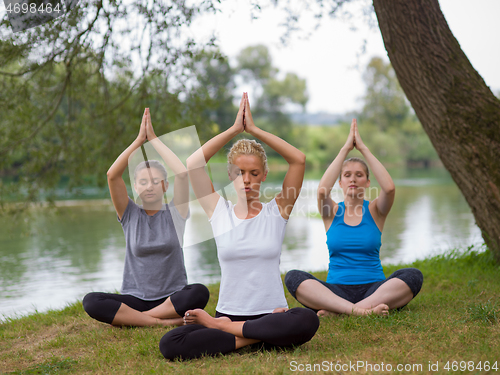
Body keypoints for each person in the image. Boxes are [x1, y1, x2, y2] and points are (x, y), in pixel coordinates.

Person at [158, 93, 319, 360]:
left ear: (264, 175)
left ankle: (235, 332)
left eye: (254, 173)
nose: (246, 180)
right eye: (239, 173)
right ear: (230, 175)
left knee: (306, 320)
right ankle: (259, 337)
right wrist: (234, 130)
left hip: (271, 314)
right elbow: (193, 164)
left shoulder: (277, 211)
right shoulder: (218, 211)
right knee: (172, 342)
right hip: (231, 314)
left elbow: (298, 160)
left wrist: (255, 130)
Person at [82, 108, 209, 327]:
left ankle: (140, 320)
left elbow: (181, 173)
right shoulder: (129, 213)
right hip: (135, 299)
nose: (149, 187)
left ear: (165, 185)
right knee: (91, 301)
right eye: (142, 182)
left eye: (155, 181)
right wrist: (139, 141)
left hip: (172, 298)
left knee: (199, 292)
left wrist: (154, 140)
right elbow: (112, 175)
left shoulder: (176, 212)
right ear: (135, 186)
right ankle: (161, 322)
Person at [285, 119, 423, 317]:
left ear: (367, 182)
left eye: (359, 175)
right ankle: (362, 311)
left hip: (374, 289)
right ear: (340, 182)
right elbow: (322, 191)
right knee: (293, 277)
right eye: (347, 175)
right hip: (337, 291)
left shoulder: (376, 211)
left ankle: (341, 312)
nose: (353, 179)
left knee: (412, 275)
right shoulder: (331, 213)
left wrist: (363, 148)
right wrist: (345, 149)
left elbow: (389, 188)